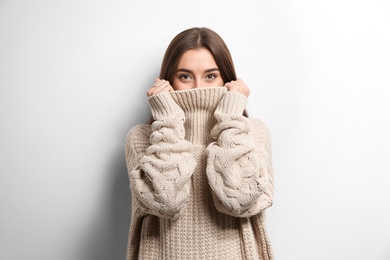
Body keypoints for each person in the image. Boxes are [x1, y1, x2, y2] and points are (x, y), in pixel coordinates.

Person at [125, 27, 274, 260]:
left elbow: (238, 200)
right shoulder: (141, 139)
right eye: (185, 76)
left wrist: (232, 118)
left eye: (210, 76)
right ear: (168, 81)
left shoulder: (253, 134)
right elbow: (166, 202)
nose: (198, 87)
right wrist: (167, 121)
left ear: (227, 79)